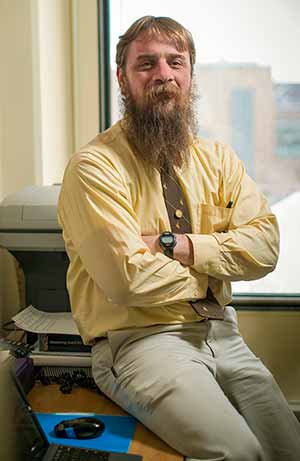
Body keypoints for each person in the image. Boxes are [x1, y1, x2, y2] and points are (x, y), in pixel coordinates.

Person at [58, 15, 300, 461]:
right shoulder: (94, 167)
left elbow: (265, 248)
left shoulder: (220, 159)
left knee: (289, 447)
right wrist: (215, 271)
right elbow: (126, 282)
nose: (163, 75)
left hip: (222, 333)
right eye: (146, 63)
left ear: (190, 75)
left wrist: (178, 246)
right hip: (140, 342)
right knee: (239, 454)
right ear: (123, 79)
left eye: (175, 62)